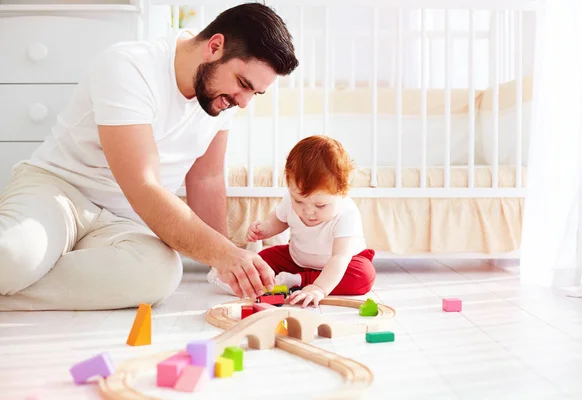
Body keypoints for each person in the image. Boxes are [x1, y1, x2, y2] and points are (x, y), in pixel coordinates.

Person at [0, 3, 299, 311]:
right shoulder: (129, 67)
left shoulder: (221, 99)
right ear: (214, 46)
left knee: (160, 274)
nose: (244, 102)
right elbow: (143, 186)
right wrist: (224, 253)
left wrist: (223, 266)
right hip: (60, 192)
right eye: (243, 84)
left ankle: (13, 287)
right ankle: (22, 268)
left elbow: (206, 177)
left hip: (125, 222)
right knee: (13, 255)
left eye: (255, 93)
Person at [209, 135, 376, 307]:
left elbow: (339, 258)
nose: (308, 212)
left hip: (342, 264)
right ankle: (238, 276)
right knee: (261, 259)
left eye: (321, 205)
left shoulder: (346, 213)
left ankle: (296, 280)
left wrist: (318, 288)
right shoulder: (290, 199)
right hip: (296, 258)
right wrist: (265, 229)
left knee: (363, 276)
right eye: (299, 201)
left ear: (342, 192)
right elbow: (279, 219)